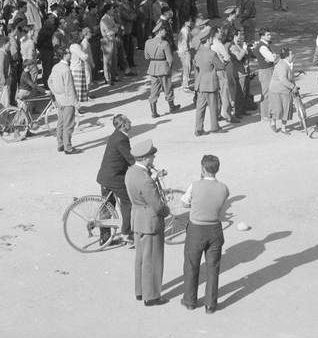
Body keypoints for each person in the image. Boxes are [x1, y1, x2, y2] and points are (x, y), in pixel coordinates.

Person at [180, 153, 230, 314]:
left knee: (191, 265)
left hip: (196, 229)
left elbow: (184, 203)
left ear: (202, 169)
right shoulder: (224, 188)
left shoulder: (195, 185)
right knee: (213, 268)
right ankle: (210, 304)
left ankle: (189, 301)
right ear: (217, 169)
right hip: (215, 229)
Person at [124, 138, 170, 306]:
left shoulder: (131, 172)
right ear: (145, 157)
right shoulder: (145, 179)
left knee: (141, 258)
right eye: (152, 156)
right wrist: (167, 210)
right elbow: (157, 205)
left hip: (137, 218)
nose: (154, 159)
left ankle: (140, 291)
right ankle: (151, 296)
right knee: (152, 260)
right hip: (150, 222)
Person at [96, 114, 135, 245]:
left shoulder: (115, 135)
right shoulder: (121, 139)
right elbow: (129, 158)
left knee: (107, 207)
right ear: (123, 125)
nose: (131, 123)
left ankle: (105, 238)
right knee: (128, 202)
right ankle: (126, 233)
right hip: (114, 178)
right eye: (129, 121)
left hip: (105, 177)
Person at [46, 48, 79, 154]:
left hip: (59, 100)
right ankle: (68, 148)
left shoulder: (56, 67)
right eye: (69, 53)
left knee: (60, 123)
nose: (70, 54)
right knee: (68, 125)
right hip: (67, 100)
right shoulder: (66, 69)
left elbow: (49, 81)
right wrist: (75, 103)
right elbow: (70, 88)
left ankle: (60, 144)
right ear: (65, 55)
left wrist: (56, 92)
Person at [144, 25, 177, 119]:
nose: (165, 32)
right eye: (164, 30)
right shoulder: (165, 43)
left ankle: (154, 112)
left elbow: (146, 57)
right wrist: (169, 68)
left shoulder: (148, 42)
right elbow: (170, 59)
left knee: (154, 89)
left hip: (153, 68)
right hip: (163, 67)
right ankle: (172, 107)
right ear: (159, 31)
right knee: (168, 87)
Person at [193, 29, 221, 136]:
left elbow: (196, 70)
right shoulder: (212, 54)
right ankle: (215, 127)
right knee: (213, 106)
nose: (212, 40)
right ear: (208, 40)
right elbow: (220, 66)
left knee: (200, 108)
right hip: (210, 83)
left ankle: (198, 128)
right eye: (211, 38)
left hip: (200, 84)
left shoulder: (197, 54)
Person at [266, 46, 297, 134]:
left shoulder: (288, 64)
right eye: (292, 54)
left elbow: (291, 76)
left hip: (286, 90)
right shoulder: (281, 64)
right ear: (287, 56)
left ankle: (283, 128)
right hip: (276, 90)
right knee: (277, 109)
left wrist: (293, 85)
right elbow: (283, 79)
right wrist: (292, 86)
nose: (293, 56)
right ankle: (273, 122)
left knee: (286, 109)